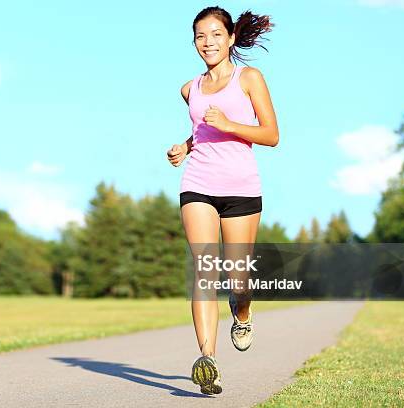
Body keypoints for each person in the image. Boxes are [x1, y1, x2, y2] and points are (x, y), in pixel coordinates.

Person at [166, 6, 278, 395]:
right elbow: (201, 130)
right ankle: (208, 360)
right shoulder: (189, 89)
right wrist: (185, 145)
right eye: (200, 36)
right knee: (203, 270)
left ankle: (242, 312)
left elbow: (271, 134)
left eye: (215, 34)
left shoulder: (249, 78)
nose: (207, 42)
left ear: (230, 38)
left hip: (241, 189)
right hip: (197, 184)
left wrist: (230, 124)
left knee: (238, 279)